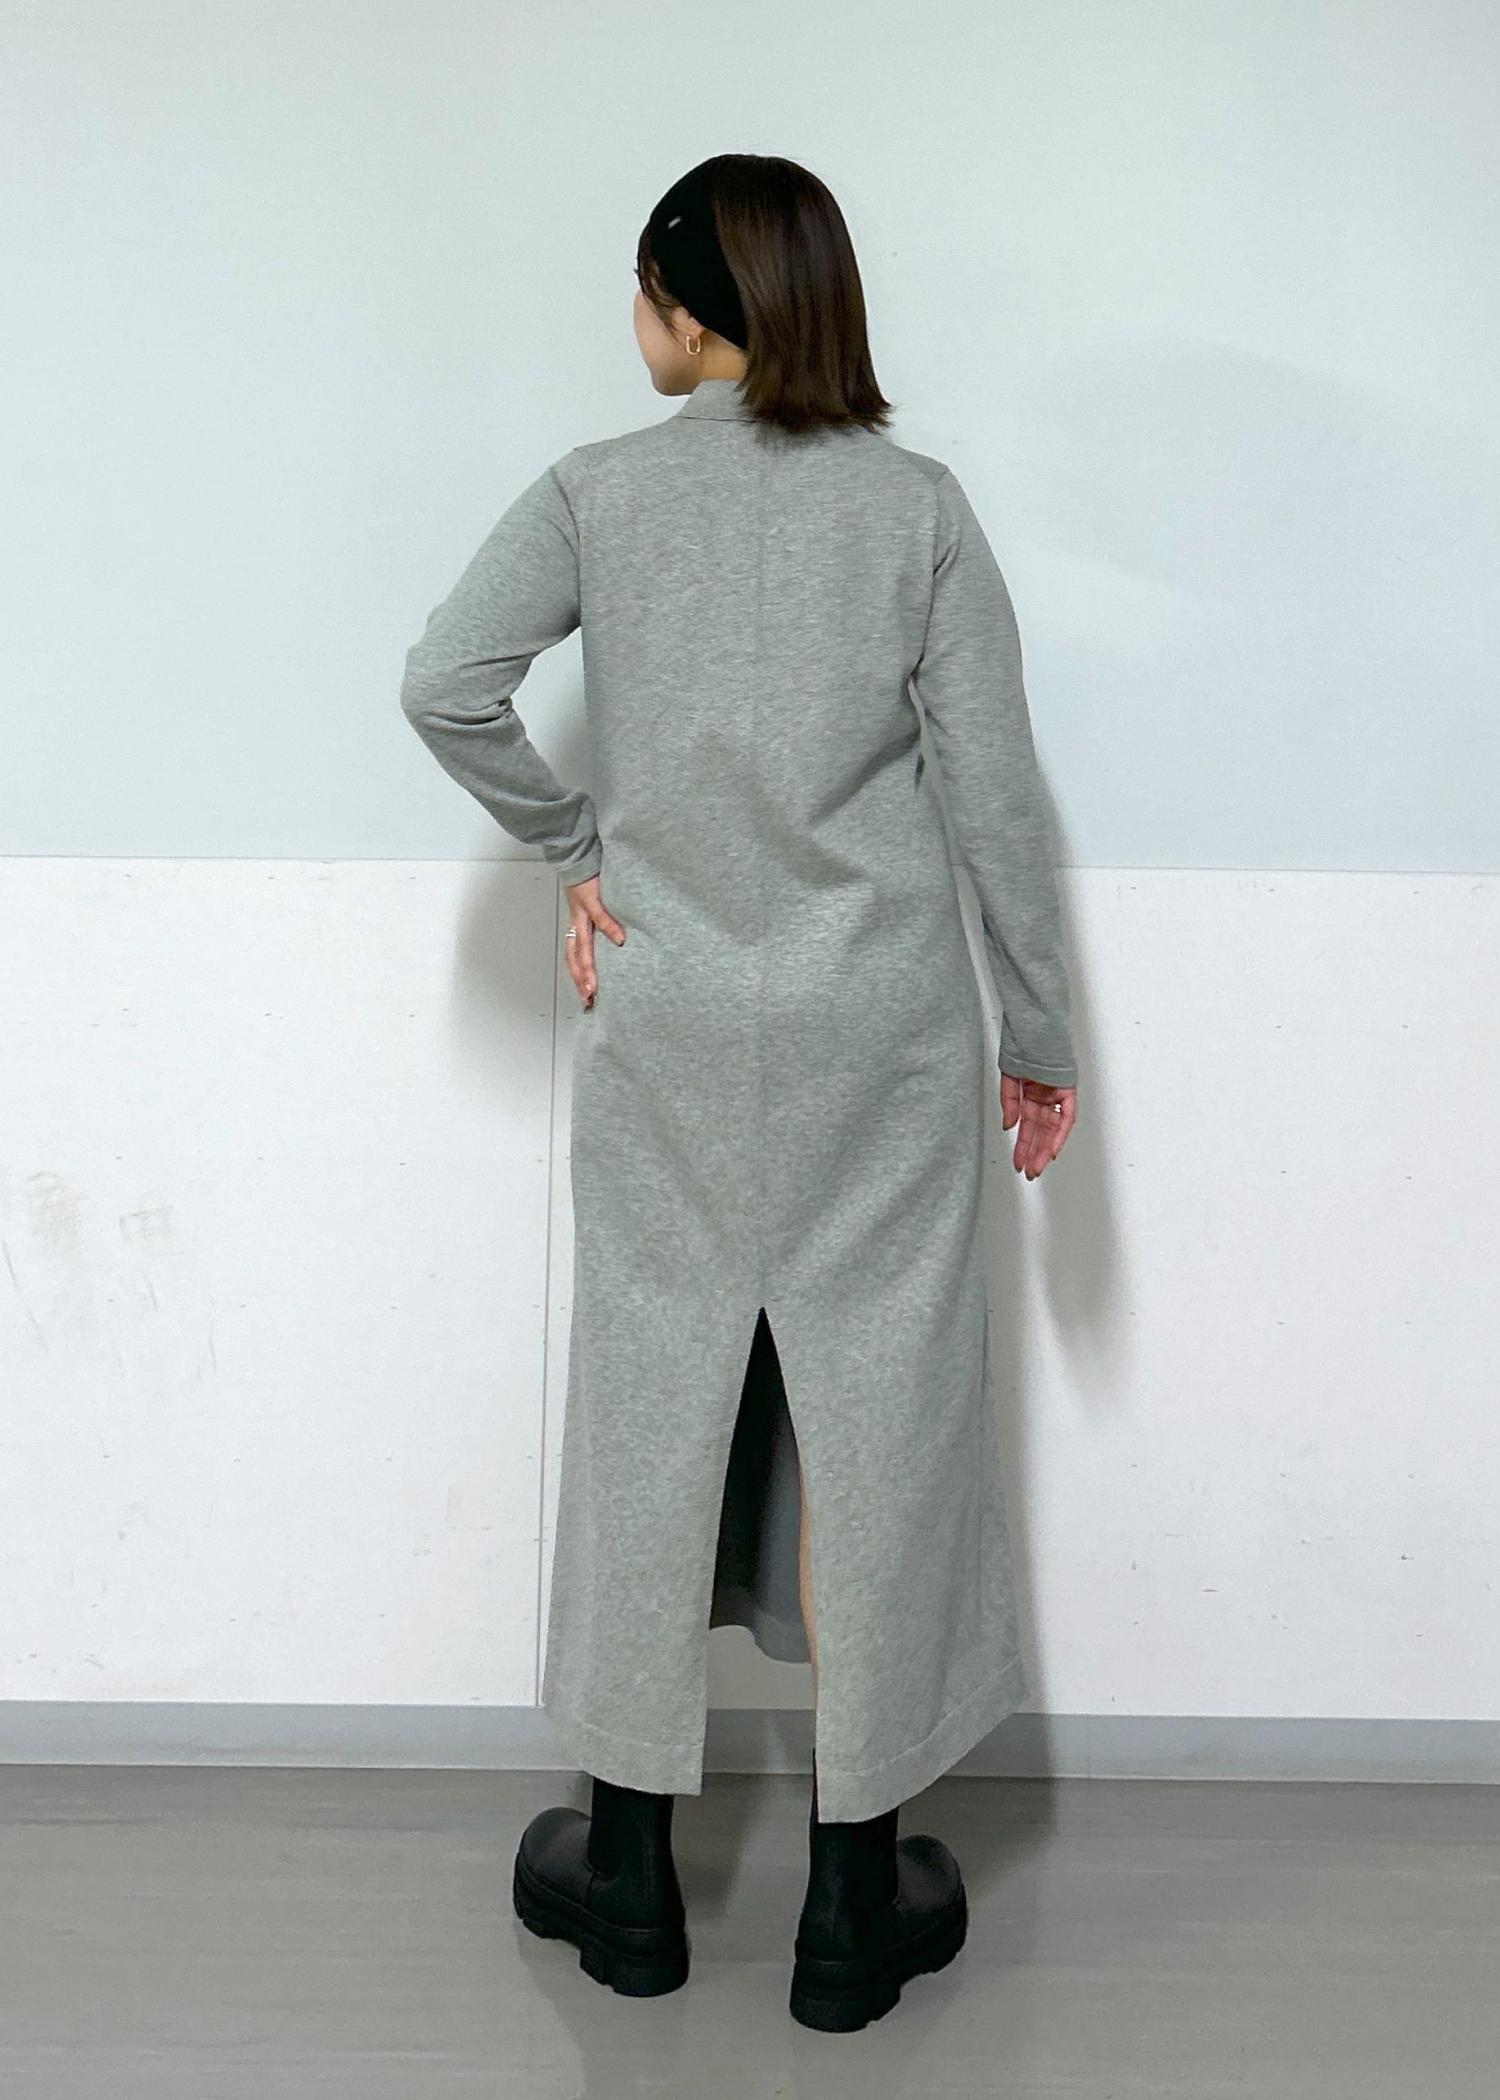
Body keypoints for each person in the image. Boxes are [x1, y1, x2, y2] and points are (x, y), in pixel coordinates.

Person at [399, 153, 1078, 2033]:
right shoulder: (917, 512)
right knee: (886, 1421)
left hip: (675, 1023)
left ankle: (627, 1878)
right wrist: (1037, 1035)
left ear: (687, 308)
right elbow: (997, 795)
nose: (634, 320)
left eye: (643, 290)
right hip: (880, 1032)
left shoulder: (598, 494)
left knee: (651, 1401)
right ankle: (856, 1903)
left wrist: (576, 845)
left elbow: (445, 681)